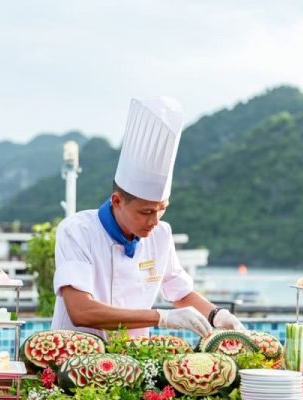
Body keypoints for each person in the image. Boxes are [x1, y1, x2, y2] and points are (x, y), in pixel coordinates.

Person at [51, 97, 245, 339]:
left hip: (134, 359)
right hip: (76, 359)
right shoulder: (77, 230)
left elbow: (181, 292)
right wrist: (161, 317)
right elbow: (81, 311)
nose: (154, 221)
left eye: (161, 209)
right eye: (146, 212)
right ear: (117, 201)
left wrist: (216, 315)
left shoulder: (161, 234)